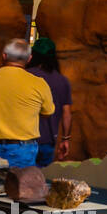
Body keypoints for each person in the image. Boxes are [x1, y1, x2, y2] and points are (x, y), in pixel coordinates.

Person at [0, 38, 55, 167]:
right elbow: (48, 113)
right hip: (22, 149)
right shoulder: (39, 83)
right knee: (20, 185)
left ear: (4, 56)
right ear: (29, 59)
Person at [26, 36, 72, 167]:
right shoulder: (62, 81)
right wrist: (65, 139)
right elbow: (67, 113)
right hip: (48, 140)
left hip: (24, 140)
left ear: (33, 55)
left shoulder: (26, 75)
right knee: (40, 181)